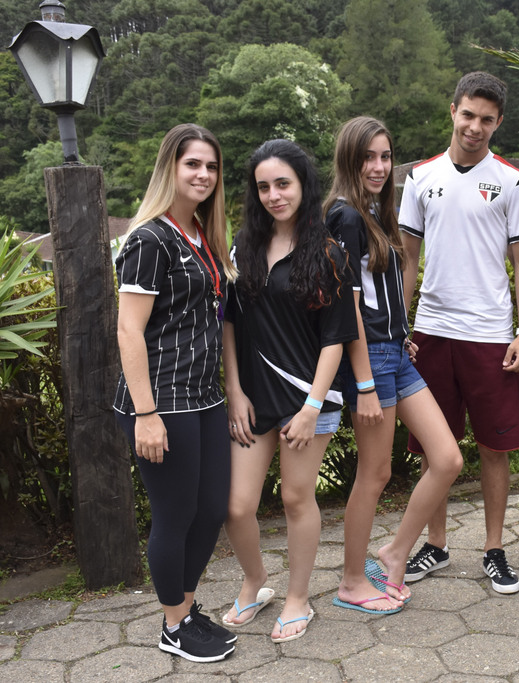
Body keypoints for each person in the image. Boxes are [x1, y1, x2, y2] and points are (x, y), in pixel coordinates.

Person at [399, 71, 519, 595]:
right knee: (434, 450)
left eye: (486, 119)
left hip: (489, 334)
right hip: (431, 332)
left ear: (498, 123)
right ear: (452, 111)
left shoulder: (513, 181)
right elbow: (408, 260)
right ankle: (435, 545)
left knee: (494, 448)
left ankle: (494, 549)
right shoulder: (419, 177)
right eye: (468, 115)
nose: (474, 127)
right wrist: (398, 327)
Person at [324, 116, 464, 613]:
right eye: (368, 157)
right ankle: (351, 582)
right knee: (375, 474)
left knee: (447, 459)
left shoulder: (373, 211)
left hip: (395, 352)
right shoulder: (344, 216)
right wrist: (363, 382)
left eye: (385, 157)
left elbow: (381, 294)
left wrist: (401, 334)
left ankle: (395, 552)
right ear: (349, 159)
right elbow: (348, 309)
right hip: (372, 362)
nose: (379, 167)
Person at [220, 139, 358, 642]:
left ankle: (299, 598)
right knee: (237, 505)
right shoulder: (243, 247)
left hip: (308, 399)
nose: (274, 195)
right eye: (264, 187)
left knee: (297, 498)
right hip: (253, 398)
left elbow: (336, 339)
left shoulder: (328, 253)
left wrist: (312, 407)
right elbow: (229, 323)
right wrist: (235, 390)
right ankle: (255, 582)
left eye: (283, 184)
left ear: (303, 185)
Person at [114, 123, 238, 662]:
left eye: (211, 166)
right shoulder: (149, 239)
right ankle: (172, 625)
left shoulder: (203, 236)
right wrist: (145, 414)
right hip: (160, 402)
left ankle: (185, 610)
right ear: (170, 167)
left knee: (211, 510)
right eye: (193, 164)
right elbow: (128, 330)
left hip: (204, 397)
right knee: (175, 515)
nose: (203, 175)